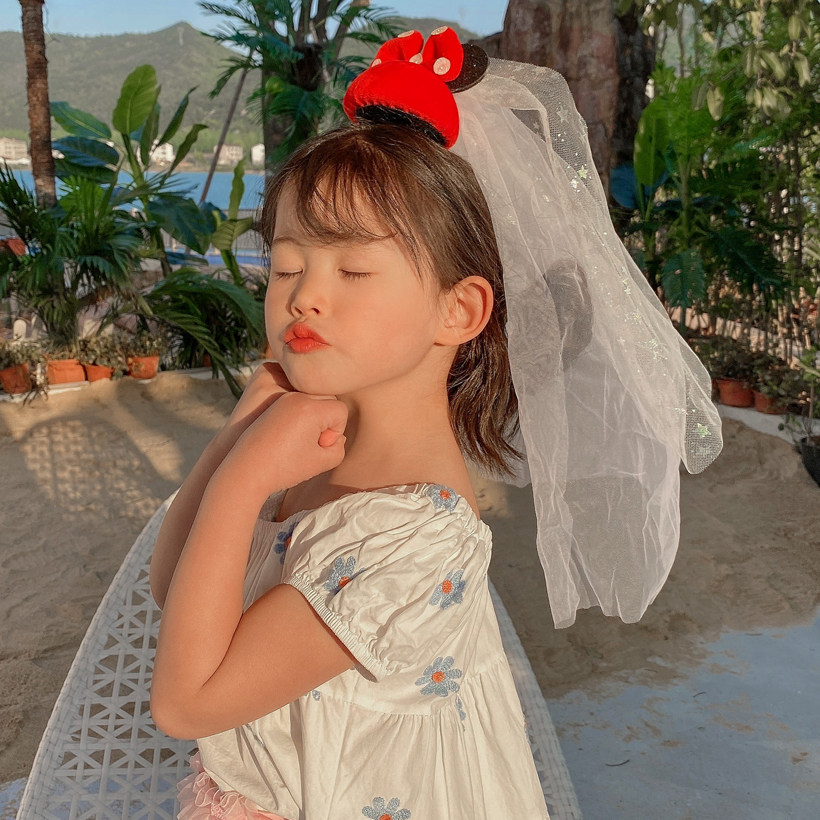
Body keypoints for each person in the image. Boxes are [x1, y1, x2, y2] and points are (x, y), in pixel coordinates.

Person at [149, 27, 722, 820]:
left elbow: (187, 702)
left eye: (353, 268)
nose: (304, 295)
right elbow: (172, 588)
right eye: (285, 266)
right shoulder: (305, 454)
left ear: (459, 310)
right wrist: (232, 442)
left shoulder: (416, 535)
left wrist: (243, 477)